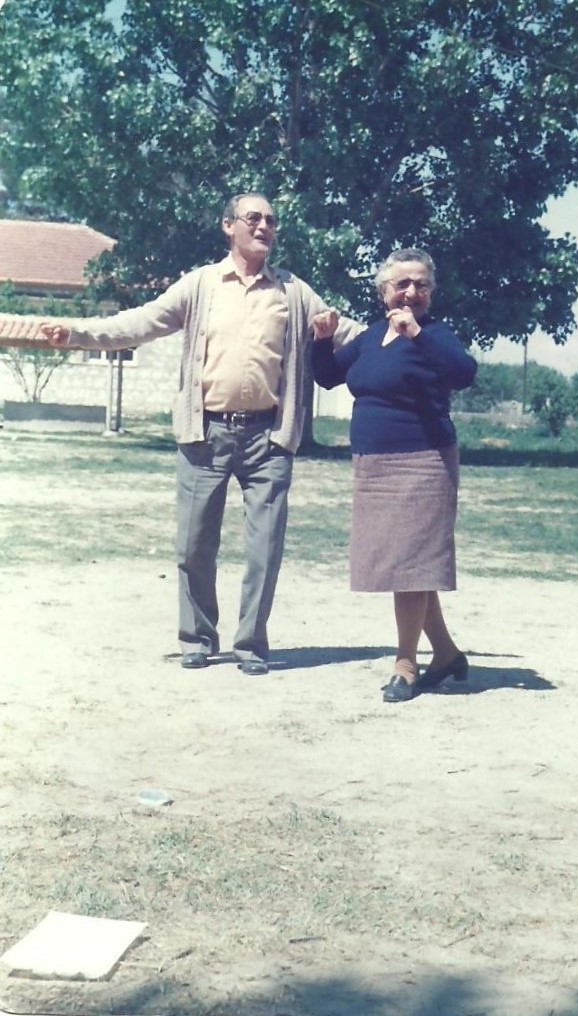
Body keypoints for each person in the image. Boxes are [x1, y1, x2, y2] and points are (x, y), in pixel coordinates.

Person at [41, 192, 360, 674]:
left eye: (271, 220)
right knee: (193, 545)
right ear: (228, 225)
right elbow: (139, 322)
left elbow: (346, 332)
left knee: (265, 549)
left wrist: (403, 338)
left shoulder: (293, 291)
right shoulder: (200, 285)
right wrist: (77, 334)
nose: (264, 226)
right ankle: (197, 637)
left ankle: (251, 645)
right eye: (254, 218)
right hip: (205, 433)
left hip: (269, 439)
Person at [311, 248, 477, 703]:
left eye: (421, 285)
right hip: (374, 467)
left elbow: (464, 373)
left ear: (431, 294)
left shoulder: (436, 335)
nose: (411, 292)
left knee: (411, 566)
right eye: (402, 283)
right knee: (407, 567)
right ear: (383, 291)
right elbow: (328, 376)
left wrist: (417, 334)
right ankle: (447, 654)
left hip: (424, 463)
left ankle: (406, 664)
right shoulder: (370, 336)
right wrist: (321, 340)